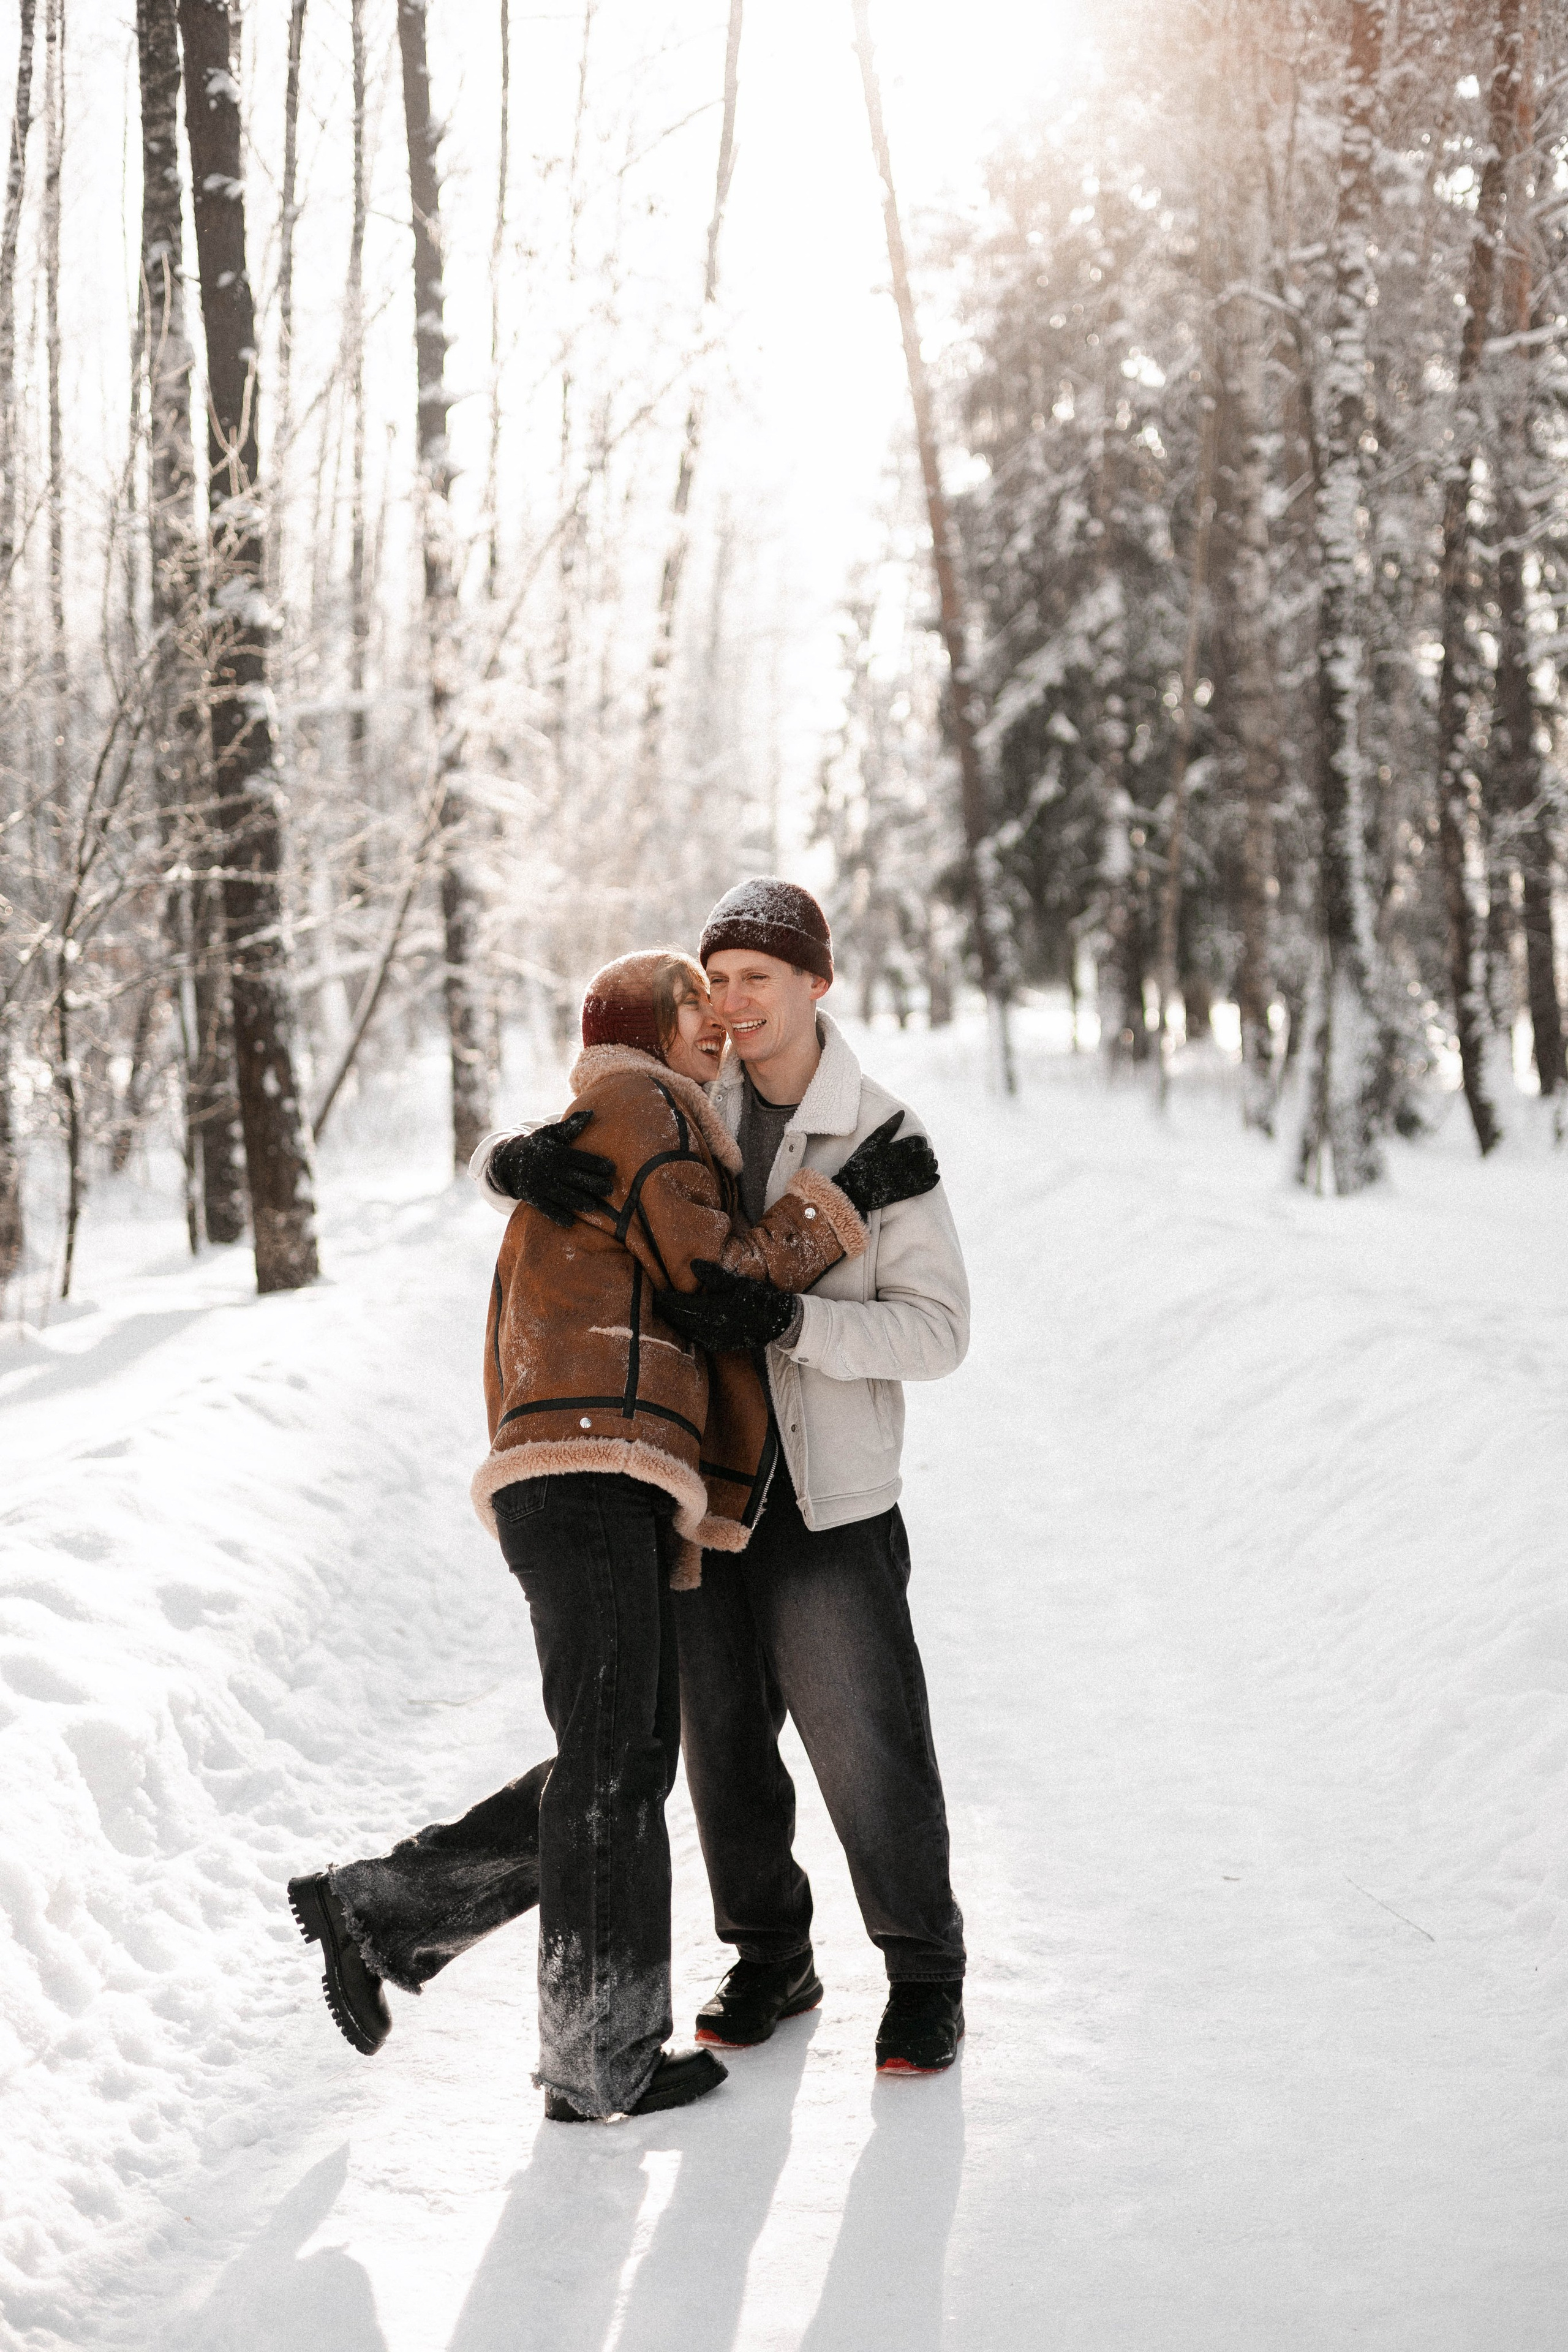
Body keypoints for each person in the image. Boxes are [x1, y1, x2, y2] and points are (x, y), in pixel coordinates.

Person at [287, 947, 939, 2122]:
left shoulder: (657, 1107)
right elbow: (712, 1276)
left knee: (624, 1756)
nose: (722, 1021)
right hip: (594, 1458)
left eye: (743, 991)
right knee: (620, 1762)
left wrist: (511, 1159)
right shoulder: (652, 1104)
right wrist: (840, 1208)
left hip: (609, 1466)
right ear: (654, 1023)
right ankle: (595, 2054)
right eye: (702, 998)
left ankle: (393, 1908)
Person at [510, 881, 970, 2076]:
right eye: (717, 979)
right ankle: (770, 1952)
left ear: (816, 982)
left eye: (758, 976)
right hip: (704, 1489)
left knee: (865, 1744)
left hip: (828, 1497)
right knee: (719, 1752)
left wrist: (794, 1324)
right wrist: (510, 1163)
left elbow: (936, 1332)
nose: (733, 1000)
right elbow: (582, 1185)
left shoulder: (877, 1140)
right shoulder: (677, 1103)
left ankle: (924, 1972)